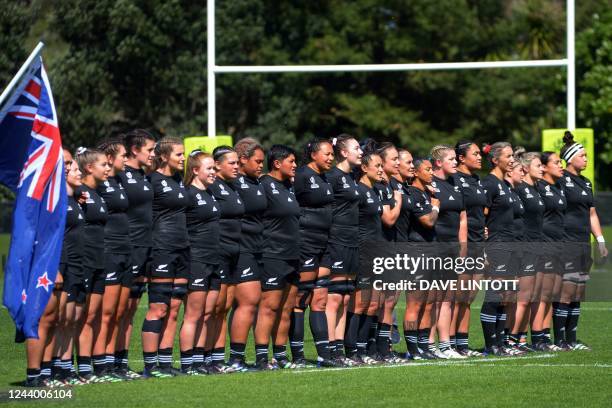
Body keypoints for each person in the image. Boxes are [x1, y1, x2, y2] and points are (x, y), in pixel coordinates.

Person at [141, 137, 189, 378]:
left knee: (174, 308)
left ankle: (165, 363)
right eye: (179, 154)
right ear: (163, 157)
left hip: (183, 249)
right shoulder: (152, 181)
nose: (183, 158)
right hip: (161, 249)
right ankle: (150, 366)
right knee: (158, 308)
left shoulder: (179, 180)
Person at [556, 131, 608, 350]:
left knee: (578, 290)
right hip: (566, 242)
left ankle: (571, 338)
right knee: (566, 290)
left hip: (582, 243)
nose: (586, 159)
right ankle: (559, 340)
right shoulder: (560, 180)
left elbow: (591, 214)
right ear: (570, 158)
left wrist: (600, 240)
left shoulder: (586, 182)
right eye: (583, 156)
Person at [254, 145, 301, 370]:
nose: (295, 165)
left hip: (293, 255)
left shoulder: (289, 187)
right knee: (270, 307)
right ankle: (262, 357)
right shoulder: (264, 185)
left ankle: (280, 355)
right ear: (277, 163)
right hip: (273, 254)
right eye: (291, 161)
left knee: (286, 308)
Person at [291, 138, 336, 367]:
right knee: (301, 299)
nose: (331, 157)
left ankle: (324, 355)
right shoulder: (301, 176)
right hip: (306, 242)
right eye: (326, 154)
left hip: (325, 243)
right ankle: (297, 356)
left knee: (320, 300)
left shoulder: (324, 177)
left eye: (332, 154)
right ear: (313, 155)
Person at [115, 129, 155, 378]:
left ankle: (121, 363)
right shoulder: (119, 176)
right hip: (125, 250)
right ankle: (105, 363)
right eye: (149, 150)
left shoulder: (143, 175)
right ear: (134, 150)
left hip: (144, 249)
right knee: (117, 311)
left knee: (129, 310)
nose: (153, 154)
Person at [179, 151, 221, 375]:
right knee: (193, 314)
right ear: (195, 170)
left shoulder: (211, 193)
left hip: (214, 259)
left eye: (214, 168)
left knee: (207, 313)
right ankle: (187, 364)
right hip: (197, 260)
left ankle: (200, 360)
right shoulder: (188, 194)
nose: (214, 172)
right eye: (209, 168)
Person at [323, 134, 363, 365]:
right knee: (334, 298)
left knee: (346, 298)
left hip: (351, 241)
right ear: (344, 152)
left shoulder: (350, 178)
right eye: (356, 148)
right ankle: (330, 349)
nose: (361, 152)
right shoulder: (332, 177)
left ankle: (339, 350)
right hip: (337, 241)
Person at [92, 139, 130, 381]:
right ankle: (99, 366)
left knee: (118, 312)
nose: (125, 160)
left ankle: (115, 364)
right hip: (108, 251)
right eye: (122, 156)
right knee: (104, 313)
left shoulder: (118, 181)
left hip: (125, 251)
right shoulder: (97, 185)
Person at [228, 138, 267, 371]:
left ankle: (254, 356)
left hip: (259, 247)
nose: (261, 165)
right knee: (248, 302)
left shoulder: (256, 182)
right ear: (243, 160)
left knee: (255, 303)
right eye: (257, 161)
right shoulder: (234, 183)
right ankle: (235, 359)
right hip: (241, 248)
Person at [51, 149, 87, 386]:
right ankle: (50, 370)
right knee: (59, 319)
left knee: (71, 319)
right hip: (61, 264)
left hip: (77, 264)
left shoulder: (75, 199)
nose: (77, 171)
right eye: (72, 167)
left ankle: (65, 368)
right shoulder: (54, 199)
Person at [207, 146, 244, 372]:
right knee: (215, 307)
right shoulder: (211, 187)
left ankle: (219, 359)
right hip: (217, 252)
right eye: (231, 163)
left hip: (234, 251)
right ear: (217, 165)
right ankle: (205, 356)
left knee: (225, 307)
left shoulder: (233, 187)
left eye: (237, 162)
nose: (236, 166)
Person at [428, 145, 467, 359]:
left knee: (447, 298)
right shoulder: (430, 184)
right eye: (451, 159)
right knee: (434, 298)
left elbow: (462, 219)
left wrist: (462, 249)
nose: (455, 162)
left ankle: (446, 345)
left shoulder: (455, 184)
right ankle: (430, 344)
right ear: (438, 163)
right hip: (435, 248)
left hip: (453, 249)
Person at [75, 147, 110, 382]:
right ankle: (75, 369)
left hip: (99, 260)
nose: (108, 169)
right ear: (89, 167)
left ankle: (92, 370)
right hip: (84, 260)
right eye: (104, 165)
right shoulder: (79, 192)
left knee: (93, 316)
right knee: (79, 318)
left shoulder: (98, 193)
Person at [348, 142, 385, 364]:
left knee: (373, 304)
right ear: (364, 167)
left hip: (376, 252)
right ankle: (353, 350)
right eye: (377, 166)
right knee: (360, 303)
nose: (381, 170)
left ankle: (365, 348)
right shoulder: (358, 192)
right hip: (362, 252)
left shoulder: (374, 191)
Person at [450, 141, 486, 357]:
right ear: (461, 158)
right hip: (463, 245)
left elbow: (482, 211)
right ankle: (449, 344)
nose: (480, 156)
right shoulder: (454, 179)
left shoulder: (476, 180)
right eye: (475, 153)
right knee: (457, 296)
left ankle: (462, 344)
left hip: (478, 243)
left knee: (470, 296)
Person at [480, 142, 515, 356]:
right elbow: (482, 217)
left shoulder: (506, 184)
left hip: (510, 245)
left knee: (506, 295)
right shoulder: (490, 184)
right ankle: (491, 344)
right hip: (497, 245)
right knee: (495, 293)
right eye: (508, 156)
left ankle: (500, 343)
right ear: (495, 160)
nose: (512, 160)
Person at [510, 148, 544, 353]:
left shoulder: (535, 189)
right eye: (538, 165)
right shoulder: (520, 189)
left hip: (536, 246)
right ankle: (512, 340)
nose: (541, 169)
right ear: (525, 168)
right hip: (524, 246)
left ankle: (521, 338)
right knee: (522, 297)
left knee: (532, 296)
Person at [406, 157, 440, 360]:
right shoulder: (413, 193)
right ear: (416, 173)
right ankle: (412, 349)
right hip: (417, 252)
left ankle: (423, 345)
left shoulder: (428, 193)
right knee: (415, 303)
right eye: (427, 169)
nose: (431, 173)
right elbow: (428, 221)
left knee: (429, 302)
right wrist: (435, 206)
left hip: (432, 251)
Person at [534, 151, 567, 351]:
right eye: (556, 162)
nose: (560, 165)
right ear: (544, 167)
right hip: (544, 245)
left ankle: (545, 337)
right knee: (544, 293)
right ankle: (538, 338)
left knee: (552, 293)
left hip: (558, 245)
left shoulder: (558, 187)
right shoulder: (539, 188)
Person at [503, 159, 527, 356]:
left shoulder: (514, 193)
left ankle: (510, 339)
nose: (524, 172)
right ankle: (501, 340)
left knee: (514, 296)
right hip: (504, 248)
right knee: (504, 297)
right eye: (521, 169)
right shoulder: (502, 190)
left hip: (517, 247)